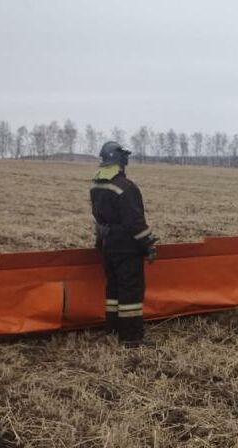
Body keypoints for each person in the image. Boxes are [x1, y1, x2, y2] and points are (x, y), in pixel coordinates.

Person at [90, 141, 158, 347]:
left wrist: (99, 242)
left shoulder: (97, 185)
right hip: (126, 247)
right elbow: (134, 222)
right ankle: (131, 338)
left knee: (113, 289)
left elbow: (99, 218)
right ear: (119, 160)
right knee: (131, 291)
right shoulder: (126, 188)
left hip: (107, 245)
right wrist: (148, 244)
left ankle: (112, 329)